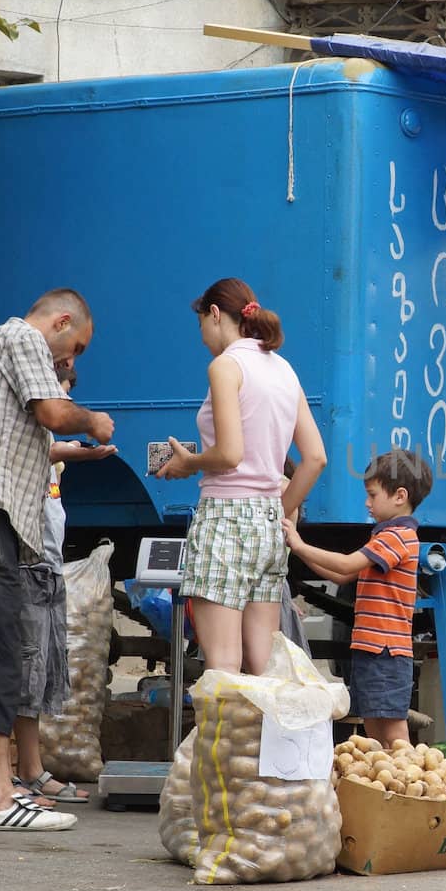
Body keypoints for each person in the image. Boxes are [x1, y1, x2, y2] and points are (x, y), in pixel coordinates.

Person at [0, 289, 114, 832]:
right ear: (60, 322)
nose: (69, 362)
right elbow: (55, 412)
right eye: (73, 347)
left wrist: (72, 452)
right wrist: (94, 422)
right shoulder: (23, 338)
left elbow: (16, 437)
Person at [154, 278, 327, 675]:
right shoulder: (284, 369)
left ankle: (224, 740)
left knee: (224, 665)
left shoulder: (226, 366)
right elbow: (315, 458)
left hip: (224, 518)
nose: (202, 340)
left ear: (215, 315)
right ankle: (262, 741)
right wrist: (276, 511)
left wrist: (187, 464)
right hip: (269, 522)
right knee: (263, 666)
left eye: (201, 327)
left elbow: (230, 454)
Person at [11, 363, 114, 805]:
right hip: (27, 564)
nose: (64, 405)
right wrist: (73, 451)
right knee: (25, 673)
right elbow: (33, 452)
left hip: (48, 567)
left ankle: (31, 769)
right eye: (60, 396)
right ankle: (22, 771)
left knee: (43, 676)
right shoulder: (28, 434)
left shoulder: (54, 454)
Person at [282, 450, 432, 747]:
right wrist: (299, 553)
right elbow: (341, 577)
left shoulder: (397, 537)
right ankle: (386, 787)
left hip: (386, 652)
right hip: (371, 649)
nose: (367, 503)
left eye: (372, 495)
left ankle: (409, 785)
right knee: (374, 727)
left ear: (400, 496)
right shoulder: (384, 536)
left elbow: (346, 564)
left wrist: (299, 546)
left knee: (394, 731)